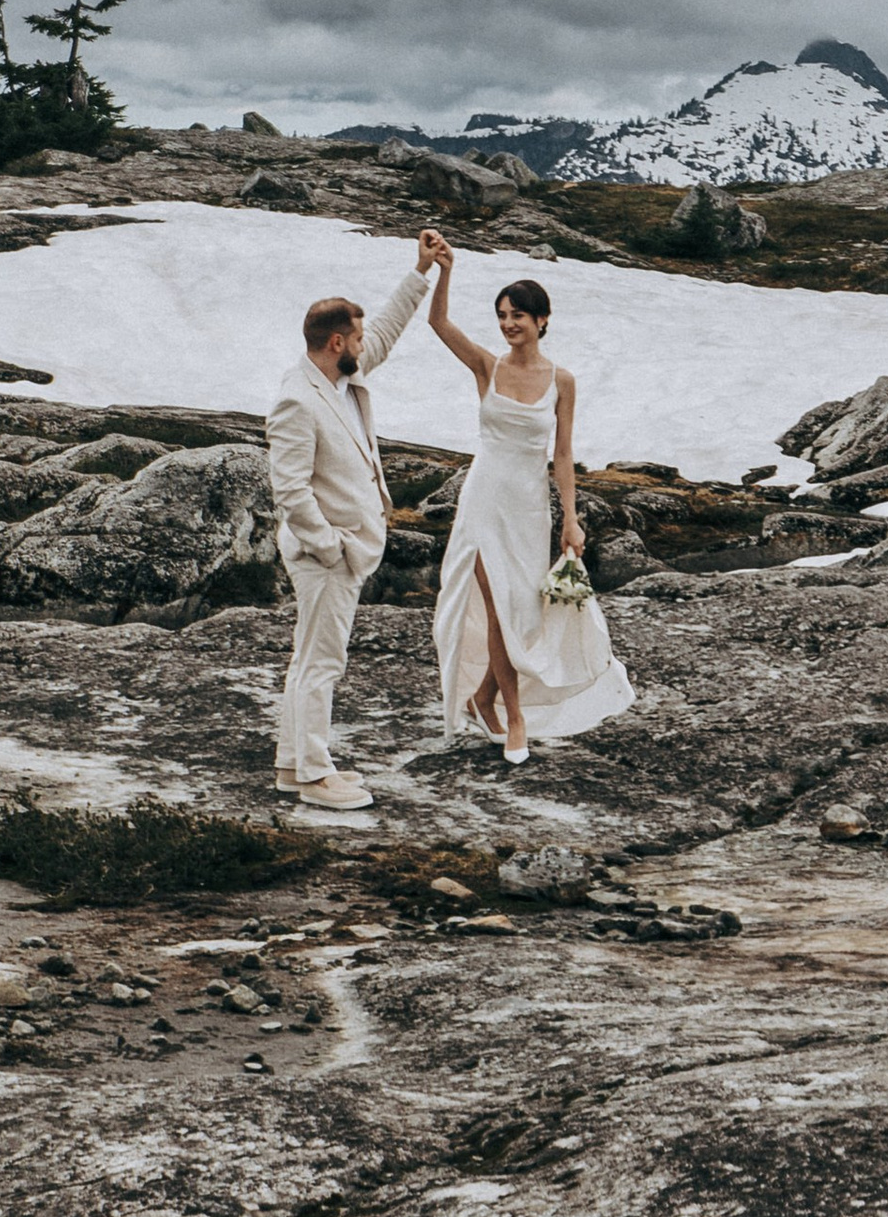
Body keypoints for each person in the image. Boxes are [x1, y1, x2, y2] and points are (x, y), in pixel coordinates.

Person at [425, 246, 633, 760]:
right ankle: (514, 718)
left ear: (542, 320)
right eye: (501, 316)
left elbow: (562, 454)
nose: (508, 324)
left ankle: (482, 697)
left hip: (528, 506)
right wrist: (443, 270)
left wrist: (571, 518)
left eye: (517, 315)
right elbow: (438, 321)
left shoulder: (562, 381)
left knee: (524, 613)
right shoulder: (487, 367)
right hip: (483, 499)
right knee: (498, 609)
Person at [266, 233, 444, 811]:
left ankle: (294, 766)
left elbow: (387, 329)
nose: (366, 346)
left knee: (309, 659)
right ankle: (317, 776)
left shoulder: (342, 377)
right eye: (358, 338)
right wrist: (330, 548)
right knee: (322, 663)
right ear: (336, 341)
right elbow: (289, 488)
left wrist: (420, 272)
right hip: (328, 555)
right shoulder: (298, 398)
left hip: (340, 550)